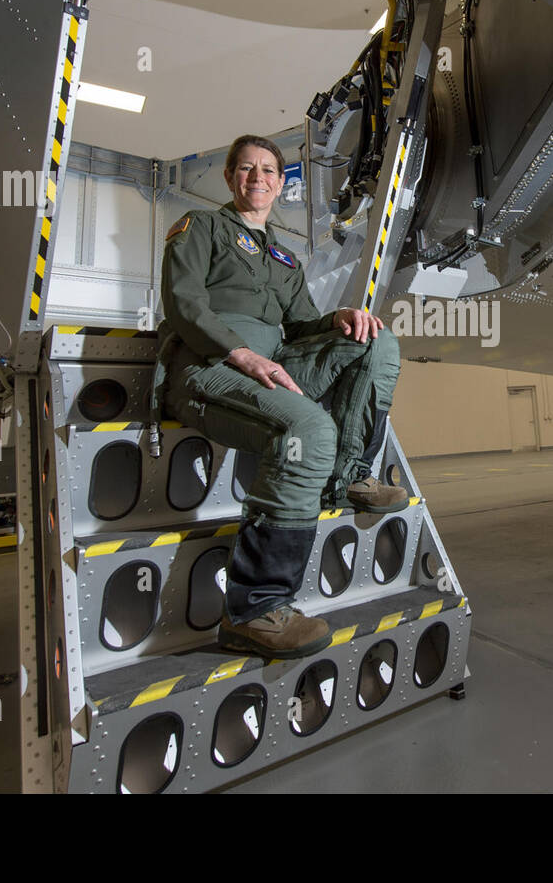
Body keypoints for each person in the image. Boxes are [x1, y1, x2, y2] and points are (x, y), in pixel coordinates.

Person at [151, 134, 407, 659]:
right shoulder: (200, 228)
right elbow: (182, 303)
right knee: (308, 430)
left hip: (275, 364)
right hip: (210, 367)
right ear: (229, 177)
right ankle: (252, 610)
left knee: (377, 341)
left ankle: (347, 475)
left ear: (279, 182)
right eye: (247, 169)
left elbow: (301, 327)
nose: (258, 178)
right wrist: (239, 353)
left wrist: (338, 319)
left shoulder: (283, 257)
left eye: (269, 170)